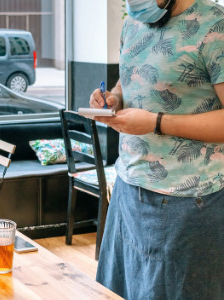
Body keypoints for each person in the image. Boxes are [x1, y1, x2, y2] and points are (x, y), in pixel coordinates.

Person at [89, 0, 224, 298]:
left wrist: (156, 122)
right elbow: (128, 82)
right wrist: (112, 99)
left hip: (187, 203)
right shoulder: (133, 22)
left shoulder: (214, 24)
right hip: (127, 190)